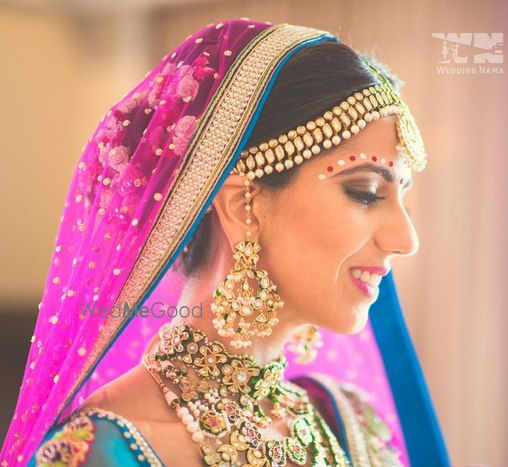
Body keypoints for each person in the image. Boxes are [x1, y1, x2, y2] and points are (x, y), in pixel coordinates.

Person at [1, 18, 450, 466]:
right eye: (366, 193)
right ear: (242, 206)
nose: (405, 239)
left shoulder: (347, 422)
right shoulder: (106, 452)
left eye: (402, 200)